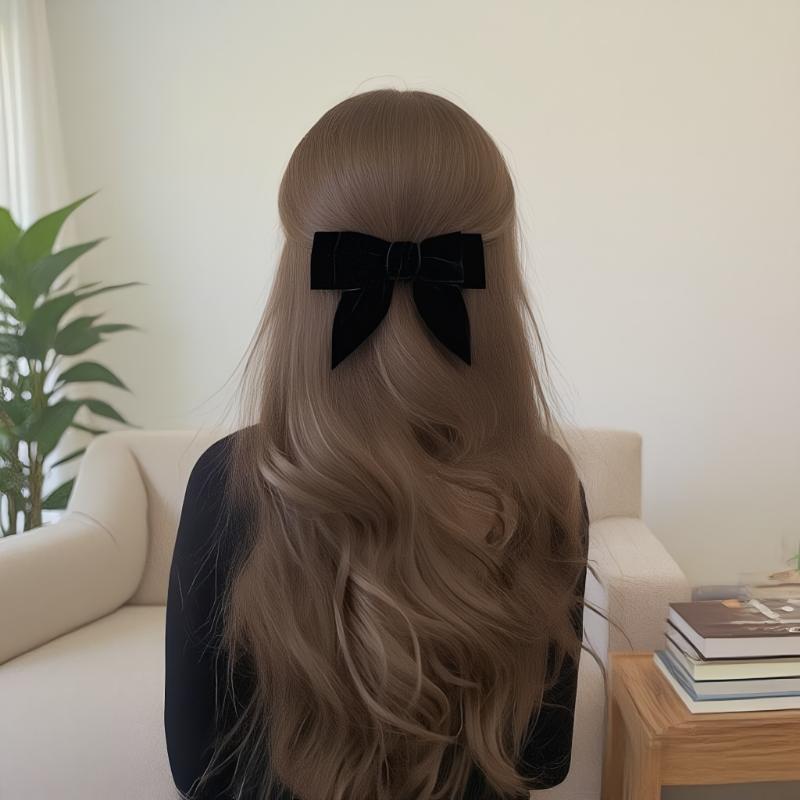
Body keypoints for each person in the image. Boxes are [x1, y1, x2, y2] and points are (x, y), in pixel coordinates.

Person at [164, 87, 591, 800]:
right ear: (493, 271)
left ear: (302, 270)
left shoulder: (230, 480)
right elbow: (542, 759)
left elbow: (195, 768)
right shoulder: (546, 484)